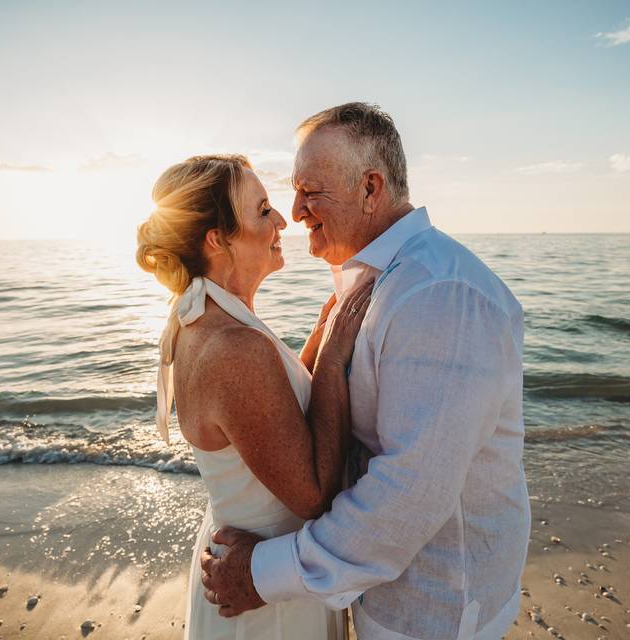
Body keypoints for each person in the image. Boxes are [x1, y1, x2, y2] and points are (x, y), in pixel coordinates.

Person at [200, 103, 530, 640]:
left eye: (312, 192)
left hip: (434, 610)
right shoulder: (377, 280)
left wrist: (263, 573)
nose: (296, 211)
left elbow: (408, 494)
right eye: (293, 190)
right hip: (378, 590)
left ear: (371, 188)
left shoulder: (438, 295)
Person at [136, 154, 372, 640]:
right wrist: (332, 361)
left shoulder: (206, 318)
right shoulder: (232, 347)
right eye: (263, 210)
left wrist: (318, 340)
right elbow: (311, 495)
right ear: (218, 239)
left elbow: (271, 415)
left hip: (261, 558)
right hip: (266, 587)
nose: (283, 219)